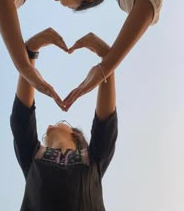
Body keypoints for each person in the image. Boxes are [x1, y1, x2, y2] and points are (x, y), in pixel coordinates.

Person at [0, 0, 164, 110]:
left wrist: (24, 66)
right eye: (70, 6)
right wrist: (105, 67)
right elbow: (148, 2)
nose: (57, 1)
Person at [11, 31, 118, 210]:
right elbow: (21, 117)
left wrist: (107, 61)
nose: (50, 125)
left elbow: (106, 124)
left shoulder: (92, 158)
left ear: (75, 134)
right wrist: (30, 52)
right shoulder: (33, 156)